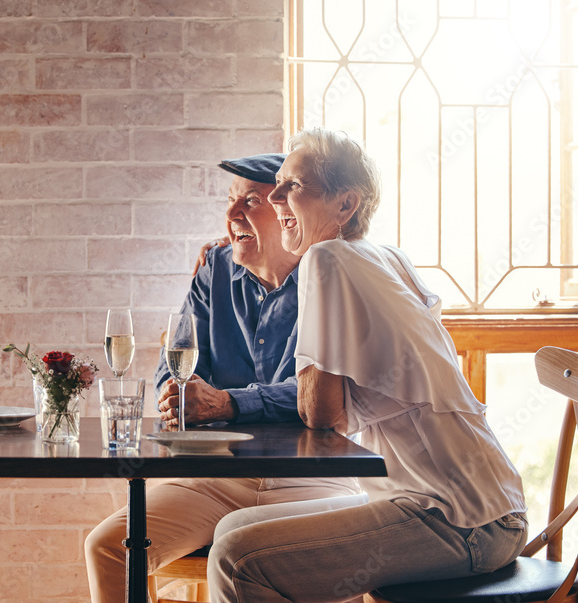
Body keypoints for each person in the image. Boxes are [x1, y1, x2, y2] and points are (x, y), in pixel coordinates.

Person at [208, 127, 527, 602]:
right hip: (489, 507)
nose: (274, 196)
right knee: (234, 525)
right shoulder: (385, 257)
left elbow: (321, 415)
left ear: (345, 205)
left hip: (459, 518)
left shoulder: (326, 258)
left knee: (238, 559)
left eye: (292, 186)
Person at [84, 154, 362, 603]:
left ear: (287, 213)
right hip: (216, 478)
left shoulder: (331, 274)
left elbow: (324, 400)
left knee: (317, 567)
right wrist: (178, 398)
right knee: (109, 548)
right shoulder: (215, 269)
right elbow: (172, 372)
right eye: (231, 201)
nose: (232, 215)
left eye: (250, 201)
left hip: (312, 478)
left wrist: (228, 403)